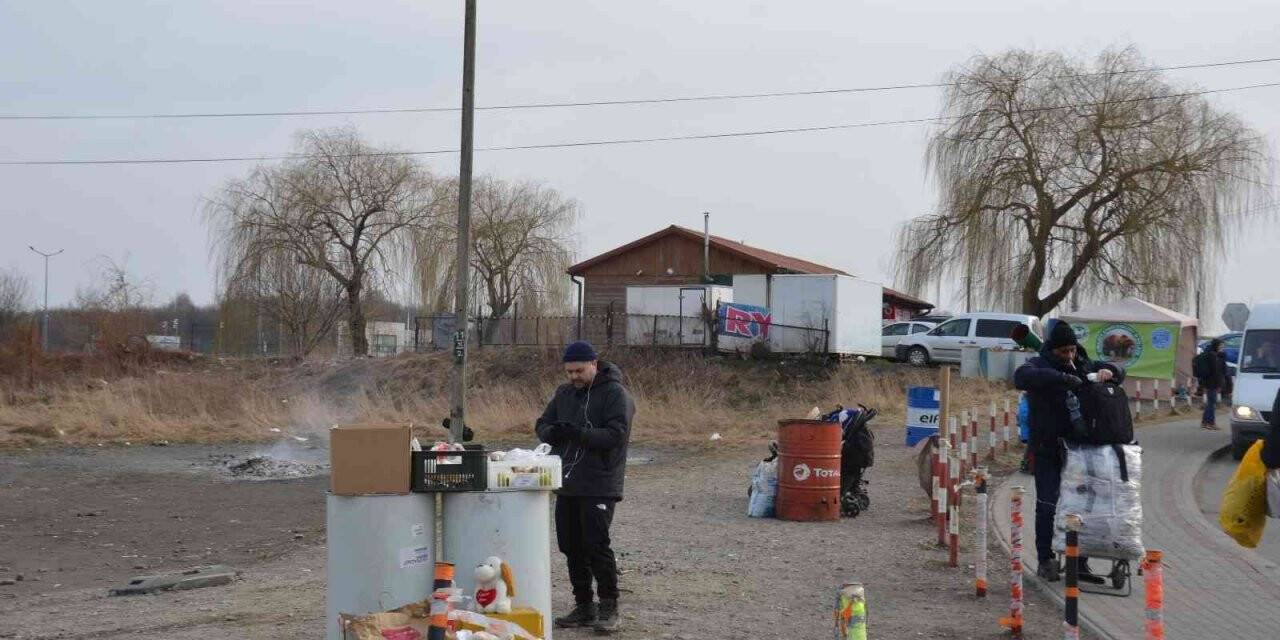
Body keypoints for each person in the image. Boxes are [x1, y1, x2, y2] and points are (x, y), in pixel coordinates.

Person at [535, 341, 634, 634]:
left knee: (596, 545)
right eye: (569, 372)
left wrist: (579, 434)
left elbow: (615, 436)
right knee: (570, 546)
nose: (574, 377)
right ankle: (584, 605)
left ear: (594, 363)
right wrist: (552, 432)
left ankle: (609, 607)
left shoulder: (616, 394)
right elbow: (542, 423)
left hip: (599, 481)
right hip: (567, 479)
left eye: (579, 370)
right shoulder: (565, 393)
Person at [1014, 320, 1125, 582]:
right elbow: (1021, 377)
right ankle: (1045, 560)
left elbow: (1118, 370)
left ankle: (1080, 563)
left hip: (1080, 451)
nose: (1069, 356)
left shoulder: (1083, 363)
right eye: (1063, 352)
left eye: (1072, 350)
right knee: (1047, 506)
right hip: (1047, 448)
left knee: (1082, 508)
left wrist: (1109, 372)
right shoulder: (1040, 366)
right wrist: (1061, 378)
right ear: (1052, 350)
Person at [1193, 338, 1227, 431]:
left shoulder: (1214, 355)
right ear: (1216, 346)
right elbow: (1216, 371)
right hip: (1212, 383)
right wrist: (1219, 383)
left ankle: (1204, 422)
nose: (1223, 347)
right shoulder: (1213, 356)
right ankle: (1210, 423)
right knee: (1212, 403)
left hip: (1210, 382)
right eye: (1221, 346)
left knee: (1210, 403)